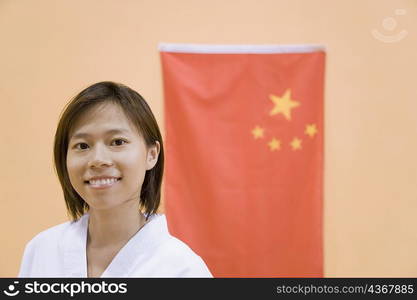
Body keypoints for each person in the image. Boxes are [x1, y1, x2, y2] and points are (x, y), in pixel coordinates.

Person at [18, 81, 212, 278]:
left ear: (151, 154)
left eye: (118, 142)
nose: (98, 160)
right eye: (83, 145)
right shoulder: (42, 251)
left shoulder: (184, 270)